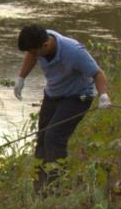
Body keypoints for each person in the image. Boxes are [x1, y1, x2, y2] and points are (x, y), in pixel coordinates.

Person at [13, 25, 111, 187]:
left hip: (77, 97)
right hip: (53, 94)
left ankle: (56, 184)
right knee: (43, 137)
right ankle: (40, 184)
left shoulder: (74, 52)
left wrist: (103, 96)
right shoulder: (40, 45)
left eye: (35, 52)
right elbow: (31, 55)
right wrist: (21, 78)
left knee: (54, 136)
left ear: (45, 46)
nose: (33, 56)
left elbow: (97, 73)